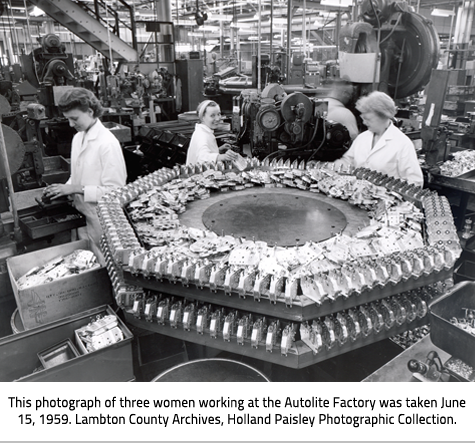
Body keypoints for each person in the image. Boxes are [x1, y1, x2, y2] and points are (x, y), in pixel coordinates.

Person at [42, 87, 127, 261]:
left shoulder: (107, 144)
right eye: (68, 120)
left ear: (90, 111)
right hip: (80, 216)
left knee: (106, 264)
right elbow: (77, 174)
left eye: (74, 119)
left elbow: (116, 191)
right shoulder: (78, 137)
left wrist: (76, 188)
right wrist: (64, 188)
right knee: (85, 263)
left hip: (101, 220)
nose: (71, 125)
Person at [336, 90, 424, 187]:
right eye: (363, 119)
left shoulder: (402, 144)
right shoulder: (362, 138)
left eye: (368, 119)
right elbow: (348, 161)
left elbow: (415, 182)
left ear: (384, 116)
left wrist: (390, 194)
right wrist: (330, 166)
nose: (364, 123)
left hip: (386, 199)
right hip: (358, 196)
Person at [186, 100, 239, 165]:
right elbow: (202, 158)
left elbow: (204, 152)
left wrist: (218, 150)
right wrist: (223, 157)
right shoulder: (201, 136)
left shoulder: (204, 131)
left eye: (219, 114)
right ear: (202, 117)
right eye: (212, 115)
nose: (217, 118)